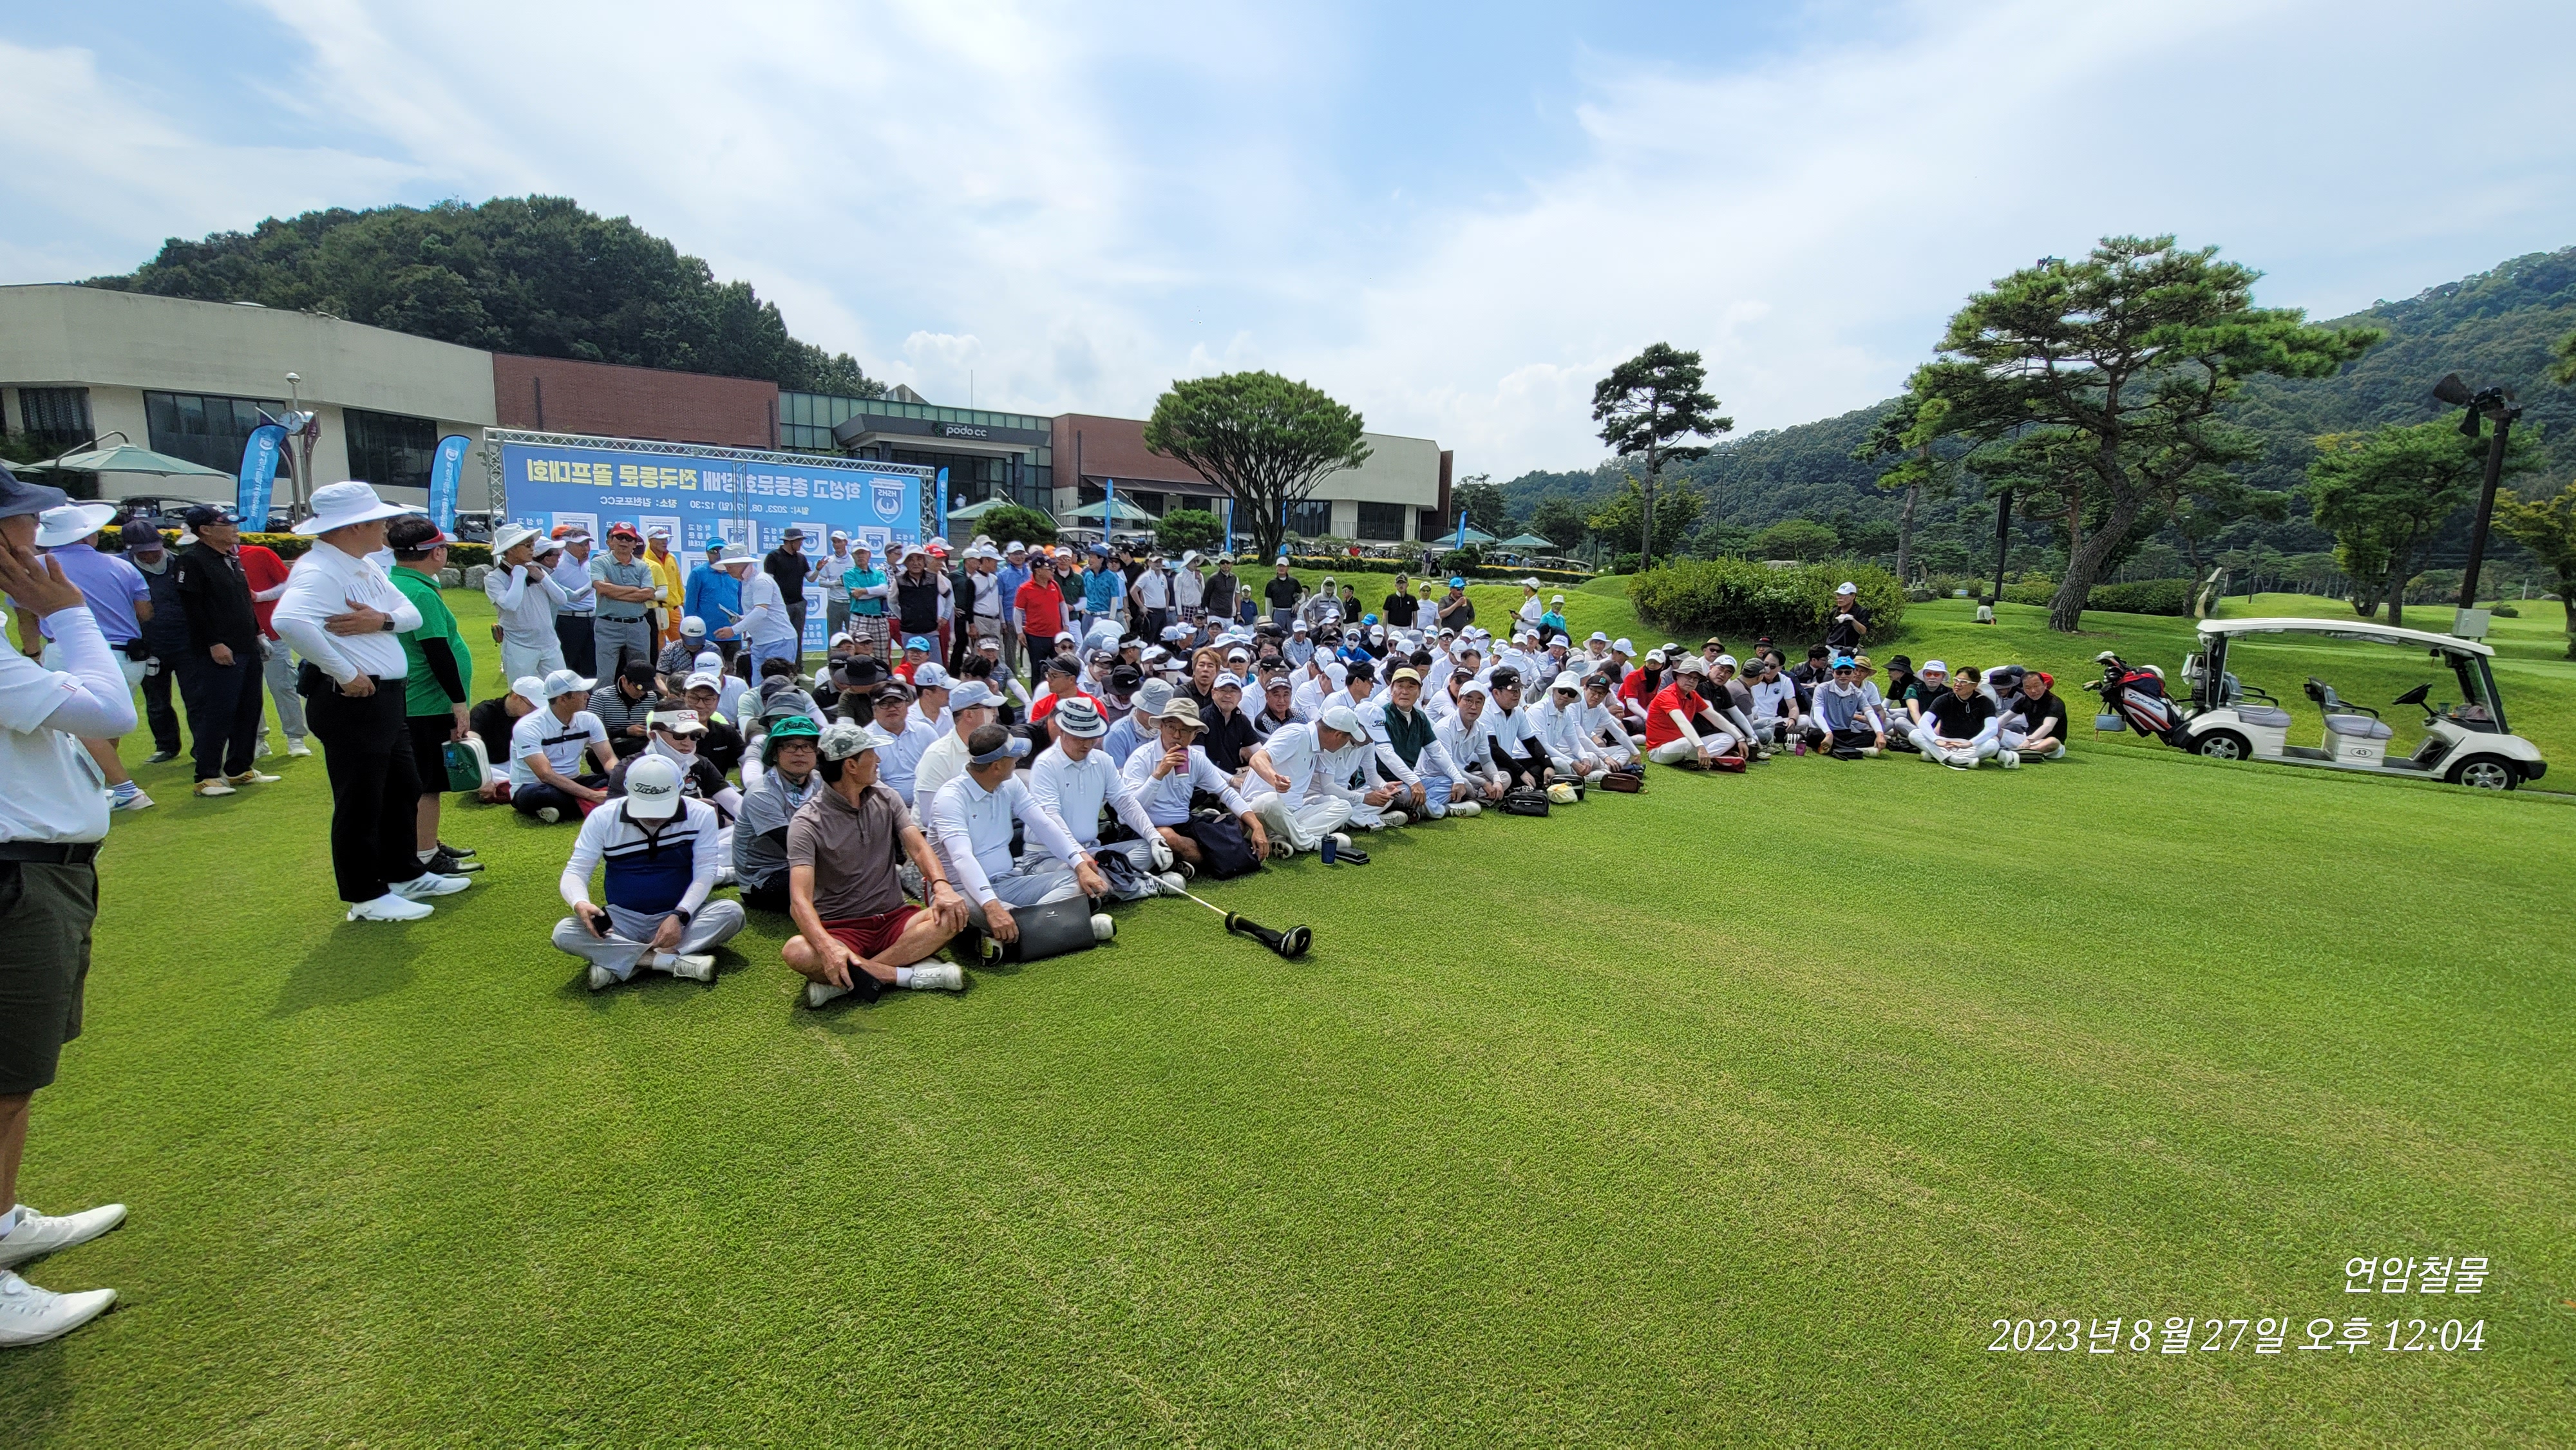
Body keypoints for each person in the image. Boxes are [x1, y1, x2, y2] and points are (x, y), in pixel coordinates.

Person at [0, 464, 136, 1348]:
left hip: (37, 869)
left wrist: (34, 626)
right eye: (24, 525)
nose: (38, 540)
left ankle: (2, 1221)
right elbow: (110, 713)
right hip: (15, 877)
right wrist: (69, 614)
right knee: (1, 1082)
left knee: (13, 1081)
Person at [272, 482, 472, 921]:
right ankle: (365, 895)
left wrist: (380, 621)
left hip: (384, 698)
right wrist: (344, 672)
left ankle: (403, 873)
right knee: (361, 799)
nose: (385, 527)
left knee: (402, 787)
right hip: (352, 700)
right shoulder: (321, 569)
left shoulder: (362, 566)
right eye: (377, 520)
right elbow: (287, 620)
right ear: (354, 526)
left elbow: (409, 616)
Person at [782, 721, 971, 1006]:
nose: (879, 760)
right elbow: (799, 901)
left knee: (952, 915)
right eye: (872, 753)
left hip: (896, 920)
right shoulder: (806, 823)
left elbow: (918, 848)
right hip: (841, 929)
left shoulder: (887, 797)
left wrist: (942, 886)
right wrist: (828, 947)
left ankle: (852, 980)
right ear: (851, 766)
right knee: (796, 951)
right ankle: (905, 975)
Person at [553, 754, 744, 990]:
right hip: (622, 919)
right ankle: (667, 961)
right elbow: (576, 870)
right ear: (627, 792)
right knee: (564, 932)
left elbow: (705, 872)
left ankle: (623, 962)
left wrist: (680, 915)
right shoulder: (603, 817)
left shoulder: (700, 814)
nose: (653, 816)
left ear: (680, 790)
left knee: (731, 913)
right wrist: (580, 902)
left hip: (681, 914)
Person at [10, 504, 153, 813]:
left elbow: (26, 618)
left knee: (85, 725)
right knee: (107, 726)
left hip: (68, 649)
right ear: (90, 535)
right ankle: (97, 790)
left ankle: (125, 789)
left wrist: (32, 653)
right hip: (128, 654)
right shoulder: (123, 566)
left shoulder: (33, 568)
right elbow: (144, 612)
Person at [927, 724, 1109, 938]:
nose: (1019, 759)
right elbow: (962, 857)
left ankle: (1025, 933)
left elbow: (1043, 824)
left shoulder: (1011, 783)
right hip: (962, 891)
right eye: (1013, 755)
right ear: (996, 766)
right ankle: (1062, 925)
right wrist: (991, 906)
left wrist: (1079, 864)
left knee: (1074, 881)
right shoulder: (950, 799)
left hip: (1008, 882)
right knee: (974, 912)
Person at [164, 504, 281, 799]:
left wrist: (258, 632)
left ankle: (239, 768)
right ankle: (206, 776)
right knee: (218, 712)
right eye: (226, 524)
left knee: (249, 708)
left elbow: (242, 601)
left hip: (246, 644)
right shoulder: (192, 561)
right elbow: (193, 609)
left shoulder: (230, 558)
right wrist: (213, 642)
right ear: (205, 530)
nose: (234, 529)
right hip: (218, 649)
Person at [385, 516, 479, 876]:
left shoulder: (397, 582)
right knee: (428, 783)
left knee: (417, 780)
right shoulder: (421, 593)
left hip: (411, 699)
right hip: (426, 700)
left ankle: (423, 842)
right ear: (436, 552)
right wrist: (459, 702)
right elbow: (438, 651)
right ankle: (425, 854)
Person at [1027, 698, 1170, 898]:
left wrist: (1154, 837)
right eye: (1080, 738)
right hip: (1047, 856)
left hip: (1095, 850)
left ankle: (1103, 890)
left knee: (1146, 849)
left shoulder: (1103, 760)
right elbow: (1051, 819)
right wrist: (1079, 856)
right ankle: (1140, 887)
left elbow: (1125, 802)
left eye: (1092, 737)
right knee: (1080, 875)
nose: (1087, 744)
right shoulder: (1046, 764)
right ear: (1062, 731)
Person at [1120, 696, 1271, 867]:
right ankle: (1224, 855)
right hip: (1147, 827)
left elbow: (1226, 793)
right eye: (1171, 727)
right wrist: (1158, 775)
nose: (1177, 736)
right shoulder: (1141, 757)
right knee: (1168, 837)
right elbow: (1131, 809)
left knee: (1240, 822)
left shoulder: (1195, 758)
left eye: (1185, 730)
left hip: (1185, 823)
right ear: (1161, 727)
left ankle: (1193, 858)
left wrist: (1257, 826)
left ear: (1194, 735)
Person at [1243, 704, 1384, 856]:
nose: (1348, 744)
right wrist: (1274, 779)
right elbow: (1258, 759)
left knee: (1344, 807)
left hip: (1293, 813)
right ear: (1338, 735)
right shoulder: (1296, 734)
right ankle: (1311, 843)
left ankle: (1284, 837)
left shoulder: (1317, 746)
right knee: (1271, 800)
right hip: (1257, 812)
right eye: (1348, 739)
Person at [732, 715, 822, 913]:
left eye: (808, 746)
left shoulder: (819, 781)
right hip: (764, 879)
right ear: (774, 754)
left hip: (804, 864)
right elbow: (793, 844)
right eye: (790, 746)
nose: (800, 753)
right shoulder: (762, 793)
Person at [509, 668, 615, 822]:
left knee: (614, 780)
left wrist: (621, 777)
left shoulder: (589, 719)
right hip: (535, 785)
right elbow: (545, 775)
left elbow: (608, 759)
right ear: (562, 700)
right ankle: (602, 803)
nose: (587, 696)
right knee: (541, 795)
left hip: (574, 781)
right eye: (580, 692)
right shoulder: (527, 727)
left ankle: (567, 808)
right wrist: (592, 795)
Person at [126, 520, 188, 764]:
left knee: (196, 698)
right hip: (148, 645)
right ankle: (166, 746)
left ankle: (204, 747)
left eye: (154, 549)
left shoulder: (181, 564)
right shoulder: (124, 569)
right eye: (143, 552)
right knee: (157, 701)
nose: (151, 556)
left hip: (186, 642)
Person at [484, 525, 570, 681]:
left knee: (562, 687)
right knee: (522, 691)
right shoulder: (494, 578)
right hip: (519, 646)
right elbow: (511, 604)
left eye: (532, 545)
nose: (532, 549)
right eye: (527, 545)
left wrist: (542, 578)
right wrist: (518, 575)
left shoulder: (537, 571)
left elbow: (562, 599)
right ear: (511, 549)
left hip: (549, 643)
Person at [587, 525, 658, 678]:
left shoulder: (643, 566)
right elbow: (601, 588)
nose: (624, 541)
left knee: (641, 676)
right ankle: (603, 697)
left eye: (629, 538)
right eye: (619, 537)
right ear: (611, 541)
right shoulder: (599, 562)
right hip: (608, 626)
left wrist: (612, 591)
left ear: (635, 544)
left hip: (638, 626)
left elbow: (648, 594)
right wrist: (634, 590)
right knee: (605, 676)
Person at [1643, 656, 1736, 768]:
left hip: (1683, 744)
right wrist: (1700, 746)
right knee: (1688, 743)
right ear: (1678, 676)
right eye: (1688, 676)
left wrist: (1740, 739)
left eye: (1696, 679)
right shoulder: (1667, 695)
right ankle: (1702, 758)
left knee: (1728, 738)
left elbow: (1715, 717)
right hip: (1659, 750)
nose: (1692, 681)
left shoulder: (1693, 695)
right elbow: (1682, 722)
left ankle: (1701, 759)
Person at [720, 550, 798, 676]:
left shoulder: (761, 581)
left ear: (743, 563)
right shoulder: (748, 582)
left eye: (730, 565)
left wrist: (734, 630)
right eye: (726, 566)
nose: (727, 569)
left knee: (778, 683)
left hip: (778, 641)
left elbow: (761, 611)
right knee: (760, 685)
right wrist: (742, 619)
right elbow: (759, 612)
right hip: (761, 643)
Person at [1911, 664, 2003, 769]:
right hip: (1945, 743)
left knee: (1993, 745)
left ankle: (1938, 756)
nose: (1958, 684)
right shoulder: (1944, 699)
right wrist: (1936, 740)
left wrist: (1970, 743)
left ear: (1974, 685)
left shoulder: (1985, 702)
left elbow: (1992, 729)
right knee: (1915, 734)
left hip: (1970, 745)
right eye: (1956, 680)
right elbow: (1924, 722)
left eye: (1963, 682)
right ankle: (1958, 760)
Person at [1479, 668, 1555, 791]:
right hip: (1483, 763)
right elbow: (1492, 749)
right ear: (1496, 693)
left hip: (1506, 761)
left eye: (1519, 689)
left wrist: (1548, 765)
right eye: (1512, 690)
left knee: (1538, 768)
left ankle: (1522, 788)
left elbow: (1531, 742)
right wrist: (1521, 771)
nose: (1517, 694)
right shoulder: (1485, 711)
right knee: (1508, 775)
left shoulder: (1518, 711)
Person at [1806, 655, 1886, 758]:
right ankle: (1856, 750)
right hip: (1823, 730)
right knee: (1815, 735)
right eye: (1839, 672)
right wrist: (1829, 734)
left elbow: (1870, 714)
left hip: (1843, 732)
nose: (1843, 676)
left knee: (1873, 735)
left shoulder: (1857, 693)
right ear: (1833, 672)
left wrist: (1880, 734)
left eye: (1847, 672)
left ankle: (1838, 748)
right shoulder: (1822, 689)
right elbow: (1818, 715)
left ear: (1853, 673)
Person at [551, 527, 598, 677]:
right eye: (580, 545)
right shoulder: (557, 566)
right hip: (568, 621)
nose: (586, 549)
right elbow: (571, 597)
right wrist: (597, 581)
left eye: (587, 544)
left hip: (592, 620)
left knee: (591, 667)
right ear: (567, 546)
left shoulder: (590, 564)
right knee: (568, 665)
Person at [589, 661, 663, 758]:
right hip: (611, 745)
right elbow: (592, 731)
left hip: (642, 745)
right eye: (638, 688)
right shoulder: (601, 697)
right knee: (593, 755)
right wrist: (625, 732)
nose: (642, 692)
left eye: (646, 689)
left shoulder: (652, 697)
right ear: (624, 680)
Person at [762, 527, 811, 664]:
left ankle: (798, 667)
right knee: (780, 638)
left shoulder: (801, 558)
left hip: (799, 603)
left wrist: (818, 569)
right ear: (791, 542)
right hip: (781, 606)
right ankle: (781, 667)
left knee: (798, 637)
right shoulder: (773, 557)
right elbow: (769, 581)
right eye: (799, 541)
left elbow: (811, 578)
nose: (801, 544)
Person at [2001, 670, 2069, 761]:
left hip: (2048, 743)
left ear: (2045, 685)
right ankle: (2021, 752)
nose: (2033, 691)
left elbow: (2048, 726)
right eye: (2028, 688)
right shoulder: (2024, 701)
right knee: (1997, 732)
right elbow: (2004, 719)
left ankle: (2020, 753)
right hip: (2026, 738)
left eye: (2036, 686)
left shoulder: (2055, 703)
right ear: (2023, 689)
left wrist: (2029, 741)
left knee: (2053, 742)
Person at [1824, 581, 1871, 654]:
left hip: (1849, 651)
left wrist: (1852, 620)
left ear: (1853, 596)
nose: (1839, 598)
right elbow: (1829, 628)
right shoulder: (1834, 612)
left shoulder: (1860, 611)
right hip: (1830, 649)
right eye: (1838, 595)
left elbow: (1863, 631)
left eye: (1843, 595)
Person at [1262, 559, 1302, 628]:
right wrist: (1269, 618)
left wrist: (1298, 603)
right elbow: (1268, 603)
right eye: (1279, 566)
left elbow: (1303, 596)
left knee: (1292, 633)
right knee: (1278, 633)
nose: (1281, 568)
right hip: (1278, 612)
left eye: (1284, 566)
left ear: (1288, 568)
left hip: (1291, 612)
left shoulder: (1294, 582)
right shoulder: (1271, 584)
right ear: (1276, 568)